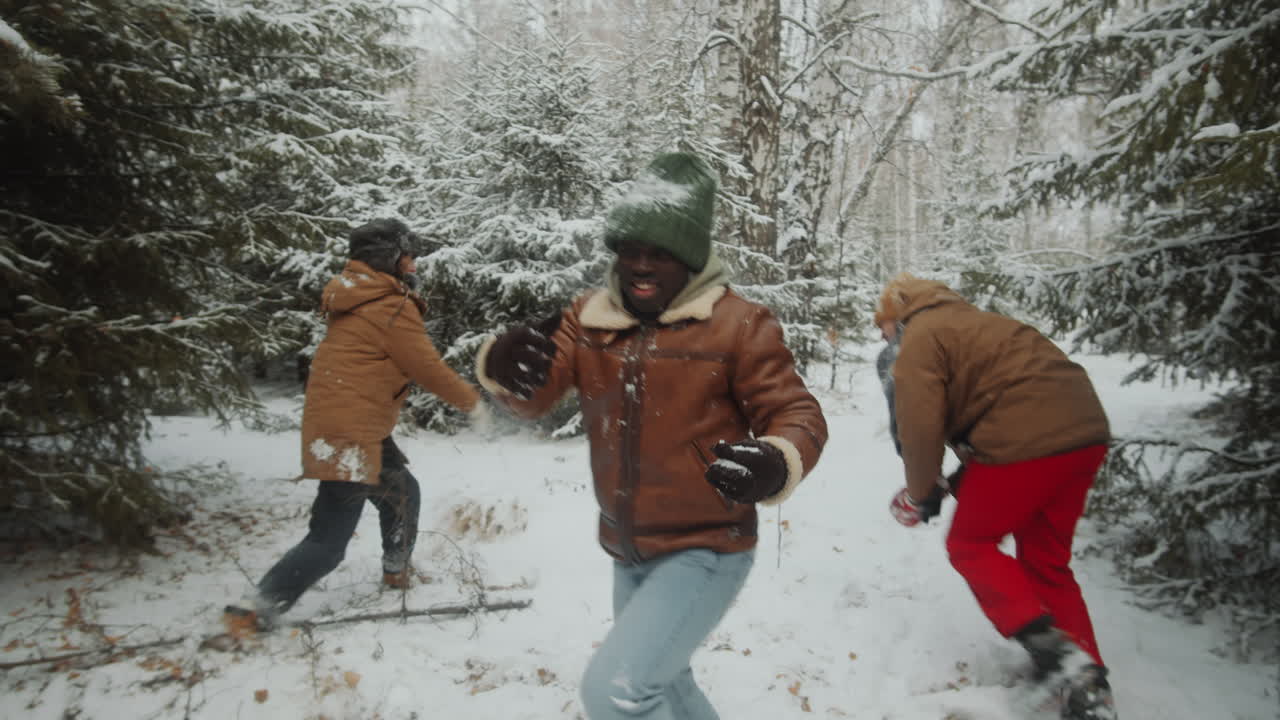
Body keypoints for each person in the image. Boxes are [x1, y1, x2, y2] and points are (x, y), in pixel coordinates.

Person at [474, 152, 828, 720]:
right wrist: (502, 362)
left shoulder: (738, 324)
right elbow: (533, 396)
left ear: (688, 258)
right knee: (665, 683)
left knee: (616, 690)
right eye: (630, 250)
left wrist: (776, 458)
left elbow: (797, 413)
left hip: (706, 546)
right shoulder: (587, 319)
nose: (641, 265)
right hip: (626, 547)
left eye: (659, 252)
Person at [224, 218, 487, 635]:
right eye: (408, 254)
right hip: (350, 435)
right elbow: (427, 368)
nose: (414, 262)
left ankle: (396, 570)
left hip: (349, 427)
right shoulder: (388, 307)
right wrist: (473, 402)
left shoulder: (359, 299)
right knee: (328, 543)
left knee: (402, 492)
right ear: (390, 258)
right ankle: (256, 607)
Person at [876, 272, 1117, 720]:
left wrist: (919, 492)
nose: (881, 334)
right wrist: (945, 487)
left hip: (1023, 441)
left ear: (898, 313)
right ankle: (1090, 690)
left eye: (881, 324)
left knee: (969, 545)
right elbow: (1007, 405)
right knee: (1047, 562)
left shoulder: (920, 338)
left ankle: (1054, 655)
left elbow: (920, 427)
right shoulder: (980, 324)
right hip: (1086, 435)